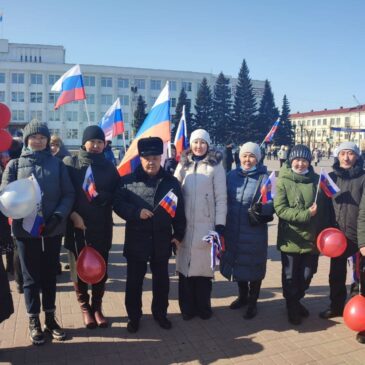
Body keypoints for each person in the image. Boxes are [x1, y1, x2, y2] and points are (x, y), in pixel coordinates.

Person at [0, 119, 74, 345]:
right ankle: (34, 322)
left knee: (50, 274)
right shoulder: (14, 165)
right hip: (25, 231)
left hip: (51, 230)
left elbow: (68, 194)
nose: (38, 141)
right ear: (26, 140)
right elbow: (4, 195)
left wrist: (58, 217)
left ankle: (51, 319)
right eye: (34, 137)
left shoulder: (58, 164)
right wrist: (18, 207)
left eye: (42, 137)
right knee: (30, 278)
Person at [114, 137, 186, 333]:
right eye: (147, 158)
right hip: (136, 240)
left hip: (162, 240)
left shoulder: (171, 182)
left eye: (155, 157)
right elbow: (118, 204)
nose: (151, 162)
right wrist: (135, 213)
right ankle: (134, 317)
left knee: (161, 282)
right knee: (134, 282)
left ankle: (160, 314)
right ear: (140, 158)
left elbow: (179, 211)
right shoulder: (127, 181)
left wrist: (178, 234)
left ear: (161, 158)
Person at [63, 126, 120, 329]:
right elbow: (63, 193)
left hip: (101, 226)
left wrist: (106, 197)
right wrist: (72, 215)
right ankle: (85, 307)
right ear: (84, 143)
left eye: (99, 142)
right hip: (76, 225)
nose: (96, 146)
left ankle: (97, 307)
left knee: (100, 269)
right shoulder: (71, 163)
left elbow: (118, 193)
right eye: (92, 141)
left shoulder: (109, 167)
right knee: (79, 269)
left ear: (104, 144)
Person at [174, 129, 227, 321]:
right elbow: (173, 191)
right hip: (185, 225)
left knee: (204, 271)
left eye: (202, 143)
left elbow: (221, 197)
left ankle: (203, 306)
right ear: (191, 144)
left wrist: (220, 224)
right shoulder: (183, 165)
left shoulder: (216, 166)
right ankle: (187, 308)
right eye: (195, 142)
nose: (199, 146)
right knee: (185, 269)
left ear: (208, 145)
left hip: (207, 226)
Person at [274, 144, 329, 325]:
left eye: (304, 160)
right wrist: (307, 214)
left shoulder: (316, 180)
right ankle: (292, 306)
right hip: (291, 238)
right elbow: (281, 209)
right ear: (291, 161)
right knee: (290, 276)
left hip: (311, 239)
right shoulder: (283, 180)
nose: (300, 164)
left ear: (309, 162)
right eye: (297, 160)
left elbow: (324, 206)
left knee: (307, 274)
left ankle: (295, 301)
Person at [221, 142, 274, 319]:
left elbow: (271, 204)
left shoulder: (264, 178)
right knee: (238, 263)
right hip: (233, 228)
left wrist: (263, 208)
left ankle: (253, 302)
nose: (247, 159)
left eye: (252, 156)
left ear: (257, 159)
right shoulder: (231, 176)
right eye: (244, 156)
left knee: (254, 265)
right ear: (239, 157)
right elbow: (223, 199)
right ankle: (242, 296)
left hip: (254, 230)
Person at [319, 143, 365, 327]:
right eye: (343, 153)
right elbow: (325, 208)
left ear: (357, 157)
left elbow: (364, 213)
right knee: (336, 275)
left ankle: (360, 318)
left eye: (351, 154)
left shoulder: (363, 178)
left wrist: (363, 242)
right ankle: (336, 306)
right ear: (337, 156)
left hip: (357, 238)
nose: (346, 158)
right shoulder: (330, 178)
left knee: (360, 279)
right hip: (337, 239)